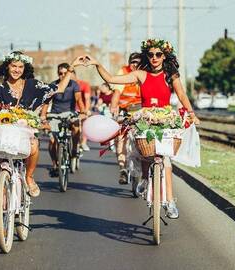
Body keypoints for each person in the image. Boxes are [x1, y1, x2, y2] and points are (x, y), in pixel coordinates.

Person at [84, 39, 200, 219]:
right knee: (144, 150)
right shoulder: (140, 74)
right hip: (145, 116)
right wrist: (97, 64)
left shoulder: (171, 74)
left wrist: (191, 113)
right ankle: (146, 178)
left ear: (164, 56)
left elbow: (182, 94)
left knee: (166, 160)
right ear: (147, 56)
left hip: (166, 118)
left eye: (158, 54)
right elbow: (111, 79)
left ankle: (170, 202)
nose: (154, 58)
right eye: (151, 54)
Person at [0, 51, 85, 197]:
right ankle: (0, 216)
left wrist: (71, 68)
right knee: (2, 168)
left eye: (20, 67)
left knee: (34, 145)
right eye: (14, 66)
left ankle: (29, 177)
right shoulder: (0, 88)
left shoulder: (33, 85)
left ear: (24, 68)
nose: (17, 70)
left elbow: (59, 88)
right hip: (4, 131)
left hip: (25, 130)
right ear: (7, 67)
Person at [40, 62, 87, 176]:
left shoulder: (74, 85)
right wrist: (43, 115)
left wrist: (83, 112)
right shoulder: (53, 85)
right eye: (60, 73)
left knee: (76, 126)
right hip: (55, 114)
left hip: (69, 113)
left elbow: (79, 100)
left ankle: (74, 148)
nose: (62, 76)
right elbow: (46, 102)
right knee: (52, 141)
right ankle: (55, 165)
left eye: (65, 73)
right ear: (58, 74)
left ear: (69, 74)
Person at [110, 52, 142, 184]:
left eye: (138, 62)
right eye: (133, 62)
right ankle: (123, 169)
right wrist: (113, 106)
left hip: (141, 109)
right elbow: (117, 91)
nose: (135, 65)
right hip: (125, 109)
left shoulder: (145, 73)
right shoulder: (123, 71)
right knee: (120, 139)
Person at [75, 75, 92, 151]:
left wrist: (87, 110)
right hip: (71, 109)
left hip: (82, 108)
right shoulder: (65, 84)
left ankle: (83, 142)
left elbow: (87, 98)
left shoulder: (84, 84)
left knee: (84, 124)